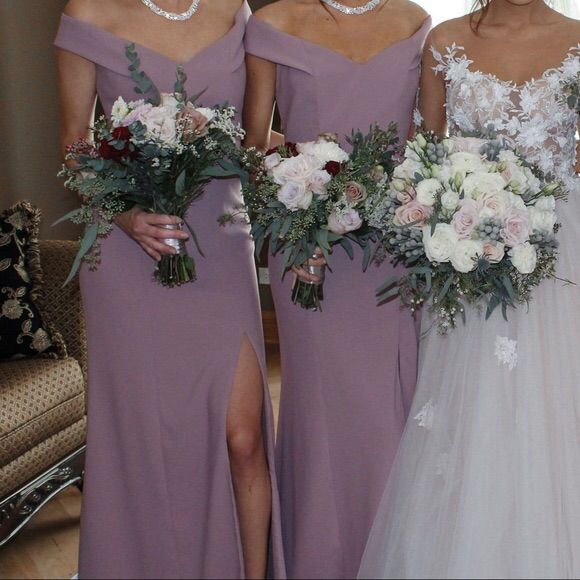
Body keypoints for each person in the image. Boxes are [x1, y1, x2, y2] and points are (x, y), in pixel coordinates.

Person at [56, 0, 285, 577]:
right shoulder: (88, 10)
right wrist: (129, 212)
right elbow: (74, 146)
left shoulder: (237, 10)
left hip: (222, 244)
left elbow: (253, 140)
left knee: (244, 438)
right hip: (130, 253)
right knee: (147, 445)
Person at [358, 1, 580, 577]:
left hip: (563, 249)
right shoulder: (446, 39)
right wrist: (452, 212)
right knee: (471, 409)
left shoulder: (579, 38)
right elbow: (426, 157)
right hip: (468, 256)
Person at [243, 1, 431, 577]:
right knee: (321, 413)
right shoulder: (271, 24)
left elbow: (428, 140)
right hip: (310, 257)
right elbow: (251, 150)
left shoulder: (413, 21)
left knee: (391, 412)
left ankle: (398, 559)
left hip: (393, 253)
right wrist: (291, 226)